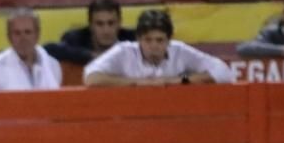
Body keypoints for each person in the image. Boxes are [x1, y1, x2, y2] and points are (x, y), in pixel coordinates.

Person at [83, 9, 235, 87]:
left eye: (160, 40)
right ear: (138, 39)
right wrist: (137, 83)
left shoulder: (179, 50)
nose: (154, 46)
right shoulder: (124, 51)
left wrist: (179, 81)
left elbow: (224, 72)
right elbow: (91, 78)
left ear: (169, 40)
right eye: (148, 40)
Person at [0, 8, 62, 91]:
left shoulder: (53, 65)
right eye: (17, 33)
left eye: (28, 32)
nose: (23, 39)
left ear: (37, 35)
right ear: (9, 37)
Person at [44, 0, 136, 66]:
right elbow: (49, 49)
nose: (106, 30)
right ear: (91, 25)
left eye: (111, 23)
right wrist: (91, 55)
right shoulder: (76, 39)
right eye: (100, 24)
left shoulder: (131, 38)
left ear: (119, 23)